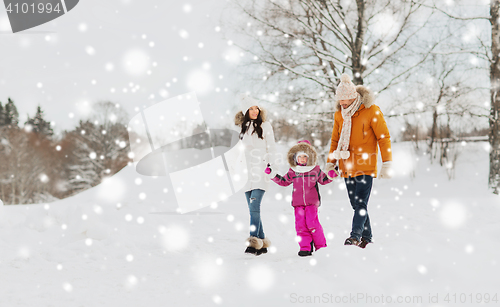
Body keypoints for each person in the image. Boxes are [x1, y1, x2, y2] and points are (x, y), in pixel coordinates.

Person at [325, 73, 393, 249]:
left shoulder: (371, 110)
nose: (342, 103)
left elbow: (383, 137)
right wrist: (331, 163)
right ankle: (367, 237)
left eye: (345, 100)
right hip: (346, 166)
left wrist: (386, 163)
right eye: (340, 100)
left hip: (365, 165)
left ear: (354, 96)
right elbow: (335, 140)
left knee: (361, 203)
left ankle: (355, 236)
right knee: (356, 204)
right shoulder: (339, 115)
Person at [265, 140, 334, 257]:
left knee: (312, 223)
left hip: (312, 202)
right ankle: (305, 248)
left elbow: (324, 180)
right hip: (298, 204)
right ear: (295, 158)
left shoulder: (315, 169)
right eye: (299, 156)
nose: (302, 159)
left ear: (309, 157)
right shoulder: (293, 171)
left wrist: (332, 175)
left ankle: (321, 247)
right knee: (300, 225)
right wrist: (272, 175)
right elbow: (284, 182)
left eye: (305, 156)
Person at [234, 94, 277, 256]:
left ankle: (253, 242)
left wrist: (272, 166)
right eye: (251, 109)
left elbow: (271, 148)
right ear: (245, 111)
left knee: (254, 206)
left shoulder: (266, 126)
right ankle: (263, 242)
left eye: (256, 108)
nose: (254, 111)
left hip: (261, 172)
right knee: (253, 210)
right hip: (246, 175)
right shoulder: (240, 129)